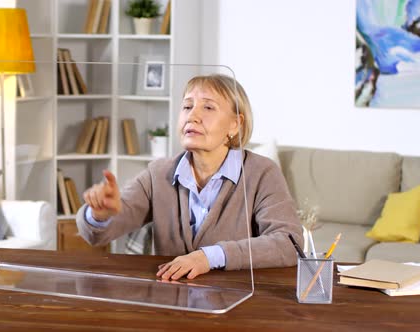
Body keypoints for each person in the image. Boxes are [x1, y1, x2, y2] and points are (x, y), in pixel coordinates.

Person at [76, 74, 302, 281]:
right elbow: (98, 235)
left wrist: (209, 257)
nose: (192, 116)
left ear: (235, 124)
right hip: (171, 303)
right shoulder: (158, 173)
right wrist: (99, 214)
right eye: (187, 106)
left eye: (208, 108)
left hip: (237, 306)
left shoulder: (262, 172)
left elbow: (289, 243)